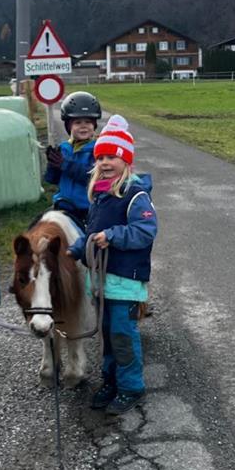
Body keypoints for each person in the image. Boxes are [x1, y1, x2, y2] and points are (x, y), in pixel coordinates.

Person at [68, 115, 157, 416]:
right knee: (107, 335)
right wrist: (73, 251)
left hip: (126, 282)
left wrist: (114, 236)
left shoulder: (136, 195)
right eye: (101, 157)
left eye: (112, 156)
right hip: (103, 282)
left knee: (122, 334)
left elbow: (146, 231)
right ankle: (110, 380)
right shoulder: (99, 197)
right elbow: (92, 235)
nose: (105, 162)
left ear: (126, 161)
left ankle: (131, 386)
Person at [44, 91, 102, 228]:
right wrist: (52, 166)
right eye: (77, 122)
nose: (83, 126)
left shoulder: (99, 149)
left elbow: (92, 176)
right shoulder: (64, 148)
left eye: (88, 122)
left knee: (89, 243)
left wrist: (65, 165)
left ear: (94, 125)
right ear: (69, 126)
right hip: (62, 205)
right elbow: (52, 180)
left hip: (86, 209)